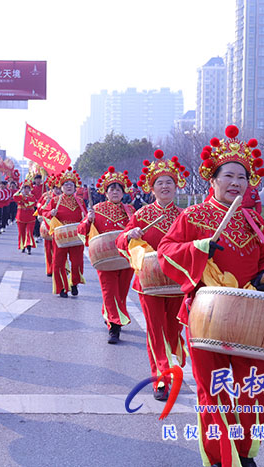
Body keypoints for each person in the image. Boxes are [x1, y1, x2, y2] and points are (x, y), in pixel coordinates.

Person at [157, 125, 264, 467]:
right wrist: (198, 249)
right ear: (214, 179)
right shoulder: (192, 216)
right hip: (206, 315)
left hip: (250, 316)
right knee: (215, 391)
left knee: (255, 387)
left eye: (243, 177)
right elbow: (166, 253)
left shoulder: (254, 221)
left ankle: (243, 450)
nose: (237, 182)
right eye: (229, 176)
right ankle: (224, 459)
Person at [116, 150, 189, 394]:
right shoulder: (141, 215)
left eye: (169, 182)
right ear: (152, 188)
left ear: (176, 186)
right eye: (160, 182)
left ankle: (171, 360)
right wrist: (129, 234)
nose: (165, 186)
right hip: (149, 283)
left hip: (178, 284)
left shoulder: (185, 216)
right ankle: (161, 378)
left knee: (173, 330)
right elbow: (120, 241)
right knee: (156, 332)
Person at [78, 167, 135, 344]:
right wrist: (89, 220)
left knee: (122, 293)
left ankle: (111, 315)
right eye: (112, 188)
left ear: (123, 192)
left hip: (126, 258)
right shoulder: (96, 209)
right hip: (105, 258)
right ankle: (114, 327)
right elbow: (81, 230)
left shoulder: (130, 210)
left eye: (119, 188)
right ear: (106, 192)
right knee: (109, 291)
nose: (116, 191)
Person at [44, 167, 87, 298]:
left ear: (75, 187)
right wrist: (50, 213)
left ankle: (74, 282)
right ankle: (62, 287)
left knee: (77, 262)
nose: (69, 186)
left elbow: (85, 217)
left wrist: (87, 218)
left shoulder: (79, 201)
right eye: (66, 184)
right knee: (58, 262)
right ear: (61, 187)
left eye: (71, 184)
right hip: (61, 236)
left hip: (75, 236)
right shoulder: (55, 201)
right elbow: (44, 213)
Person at [36, 175, 59, 277]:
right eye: (56, 188)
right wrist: (46, 205)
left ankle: (58, 268)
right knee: (48, 249)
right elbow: (39, 208)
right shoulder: (46, 196)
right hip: (48, 225)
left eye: (59, 188)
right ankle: (50, 268)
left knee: (59, 250)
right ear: (52, 187)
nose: (58, 190)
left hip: (59, 227)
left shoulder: (64, 197)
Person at [13, 178, 37, 254]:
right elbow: (14, 197)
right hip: (20, 217)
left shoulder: (32, 196)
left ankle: (29, 247)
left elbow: (30, 203)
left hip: (30, 217)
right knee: (21, 232)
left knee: (29, 232)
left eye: (28, 188)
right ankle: (22, 246)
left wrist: (24, 197)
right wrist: (19, 190)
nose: (26, 190)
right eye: (25, 188)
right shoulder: (20, 195)